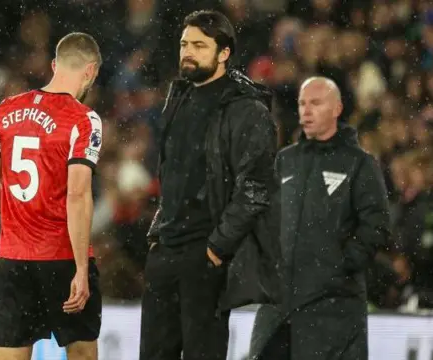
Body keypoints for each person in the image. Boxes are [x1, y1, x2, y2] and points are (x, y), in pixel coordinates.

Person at [141, 10, 281, 360]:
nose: (187, 51)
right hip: (166, 252)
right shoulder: (179, 97)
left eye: (200, 46)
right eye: (184, 44)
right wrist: (158, 235)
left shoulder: (247, 109)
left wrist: (216, 248)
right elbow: (173, 174)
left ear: (224, 53)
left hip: (204, 256)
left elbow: (254, 188)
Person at [0, 32, 103, 360]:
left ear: (53, 65)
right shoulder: (84, 119)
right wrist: (80, 269)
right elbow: (77, 194)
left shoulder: (6, 110)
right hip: (61, 257)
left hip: (13, 260)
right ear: (90, 71)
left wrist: (22, 218)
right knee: (83, 354)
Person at [249, 77, 391, 360]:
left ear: (337, 108)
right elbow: (265, 216)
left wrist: (338, 264)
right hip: (278, 306)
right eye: (302, 103)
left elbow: (376, 226)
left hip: (331, 308)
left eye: (315, 103)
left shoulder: (359, 163)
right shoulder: (285, 160)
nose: (306, 110)